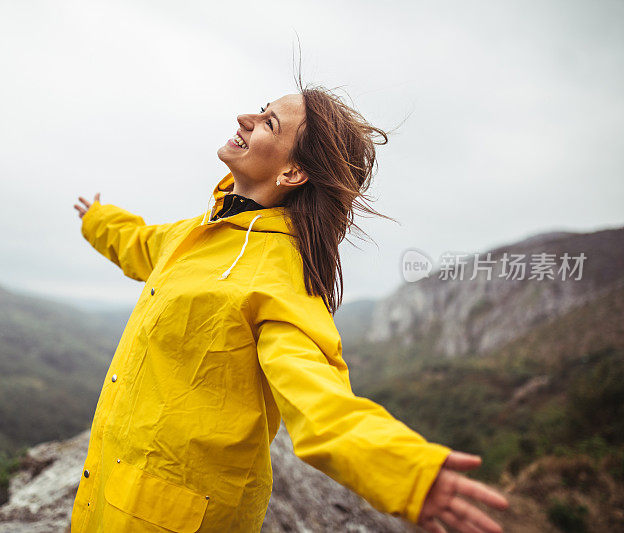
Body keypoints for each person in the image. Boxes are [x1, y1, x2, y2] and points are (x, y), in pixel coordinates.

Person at [70, 84, 509, 533]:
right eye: (260, 110)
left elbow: (320, 397)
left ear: (293, 172)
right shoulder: (195, 235)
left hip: (172, 518)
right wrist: (98, 220)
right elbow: (140, 243)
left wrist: (406, 472)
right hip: (107, 491)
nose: (245, 118)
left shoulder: (283, 274)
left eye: (268, 123)